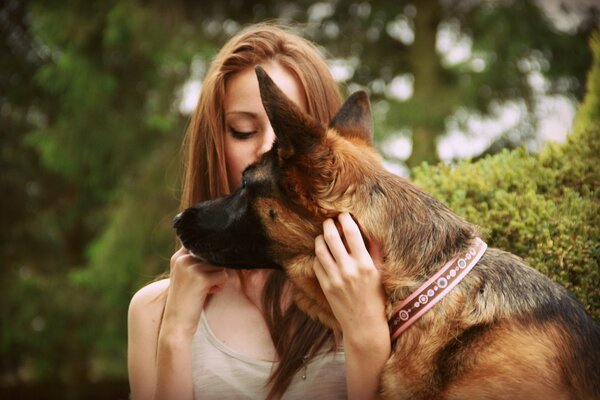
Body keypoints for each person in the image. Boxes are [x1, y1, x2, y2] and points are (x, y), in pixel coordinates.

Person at [127, 23, 391, 400]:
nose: (270, 148)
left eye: (290, 133)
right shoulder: (153, 309)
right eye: (243, 131)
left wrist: (366, 330)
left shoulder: (378, 288)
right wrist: (175, 334)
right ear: (214, 144)